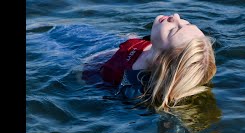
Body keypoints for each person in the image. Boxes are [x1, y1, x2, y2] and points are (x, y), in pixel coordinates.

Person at [82, 13, 217, 112]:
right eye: (187, 23)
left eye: (172, 30)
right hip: (100, 39)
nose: (175, 16)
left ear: (160, 59)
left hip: (79, 51)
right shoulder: (154, 45)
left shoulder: (130, 86)